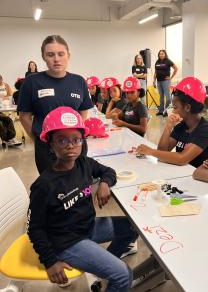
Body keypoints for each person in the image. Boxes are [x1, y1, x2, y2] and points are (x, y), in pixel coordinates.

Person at [27, 107, 137, 291]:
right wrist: (50, 261)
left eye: (76, 140)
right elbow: (34, 229)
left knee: (132, 227)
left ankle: (101, 269)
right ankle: (109, 270)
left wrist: (104, 184)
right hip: (67, 242)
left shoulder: (83, 163)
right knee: (123, 275)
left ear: (82, 142)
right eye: (61, 140)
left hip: (88, 227)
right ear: (50, 144)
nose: (70, 145)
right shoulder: (44, 185)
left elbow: (108, 172)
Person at [18, 35, 93, 174]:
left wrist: (76, 137)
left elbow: (83, 111)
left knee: (79, 185)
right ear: (43, 57)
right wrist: (39, 139)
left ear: (68, 55)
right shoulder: (32, 82)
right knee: (52, 190)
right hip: (47, 149)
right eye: (50, 54)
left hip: (76, 148)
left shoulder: (79, 81)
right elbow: (24, 116)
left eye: (61, 54)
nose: (56, 59)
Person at [137, 77, 208, 167]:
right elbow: (162, 152)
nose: (173, 111)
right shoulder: (182, 126)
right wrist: (168, 126)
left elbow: (182, 159)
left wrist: (151, 151)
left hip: (204, 179)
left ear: (187, 107)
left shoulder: (206, 130)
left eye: (175, 107)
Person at [153, 49, 178, 117]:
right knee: (161, 97)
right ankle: (161, 111)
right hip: (159, 81)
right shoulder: (157, 62)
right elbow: (156, 72)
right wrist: (154, 80)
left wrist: (171, 77)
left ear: (165, 54)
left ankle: (167, 111)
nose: (161, 55)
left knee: (168, 98)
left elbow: (176, 68)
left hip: (166, 81)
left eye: (162, 54)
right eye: (160, 54)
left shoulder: (168, 61)